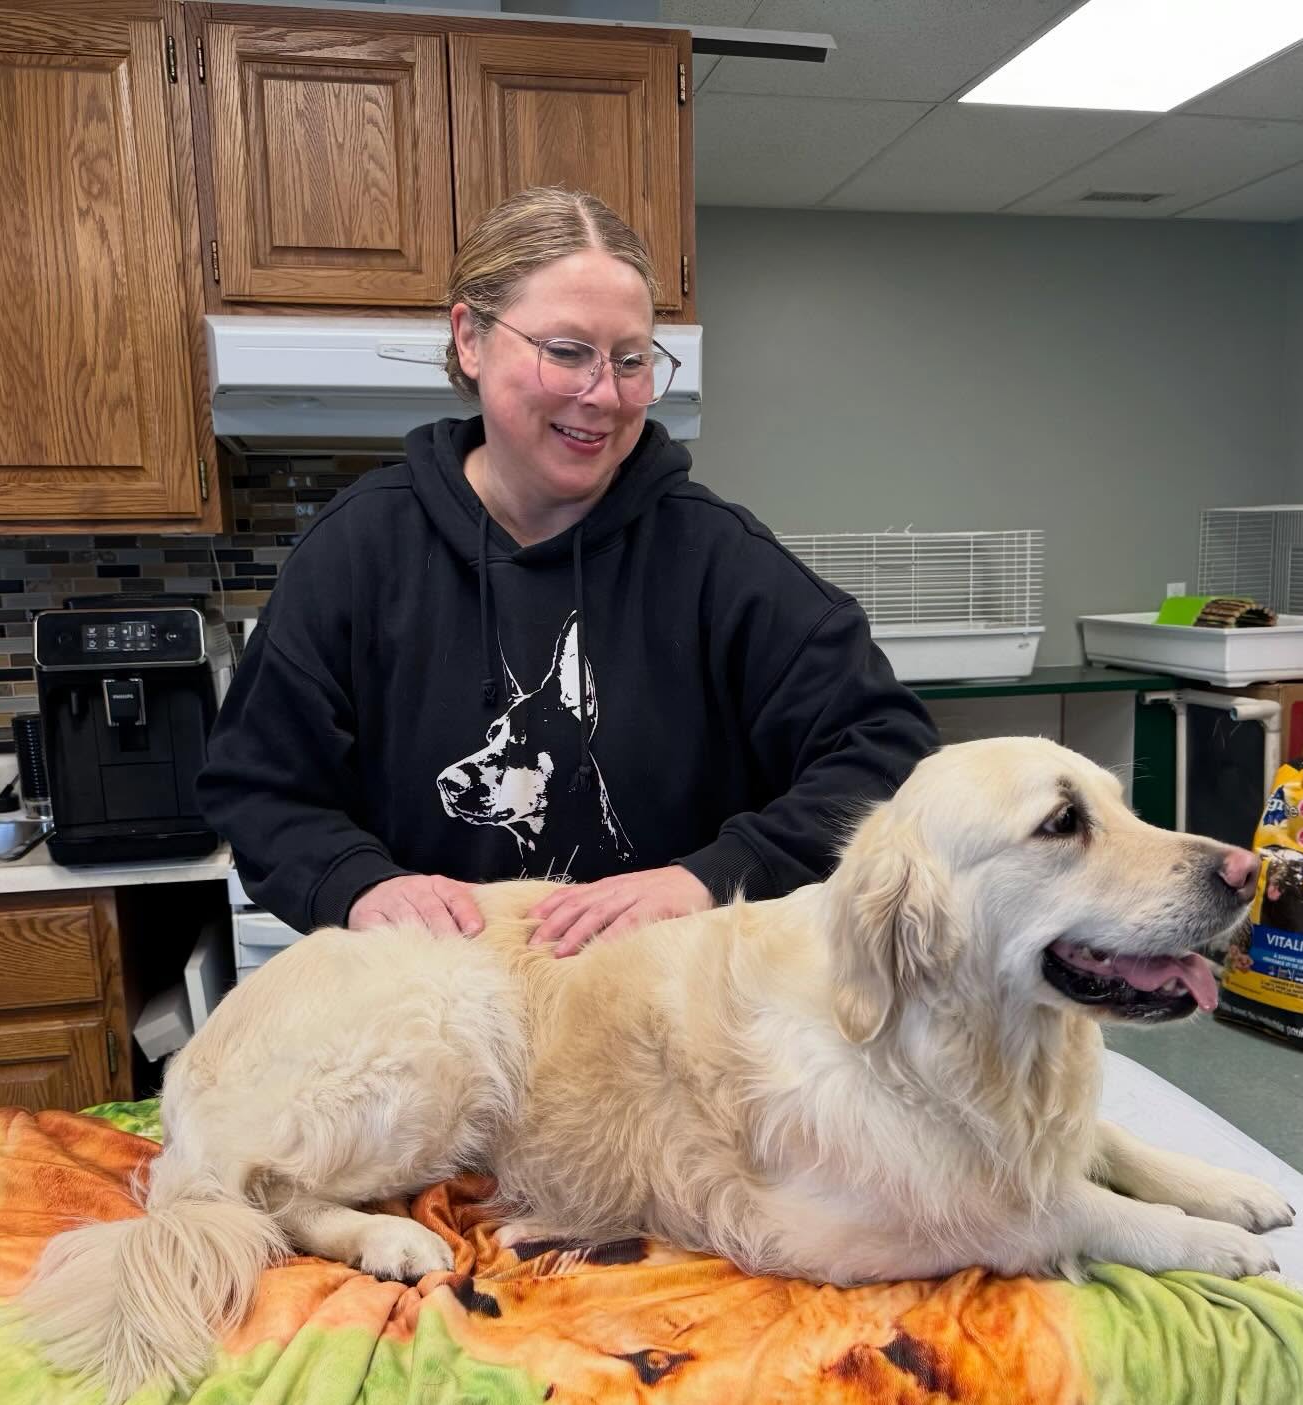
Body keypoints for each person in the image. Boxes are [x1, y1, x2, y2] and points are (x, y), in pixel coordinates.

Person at [198, 188, 938, 956]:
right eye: (567, 351)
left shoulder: (721, 560)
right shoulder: (357, 550)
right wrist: (357, 884)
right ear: (471, 339)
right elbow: (258, 784)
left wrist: (709, 878)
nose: (605, 394)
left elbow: (887, 755)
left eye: (631, 359)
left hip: (668, 1010)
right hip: (437, 1003)